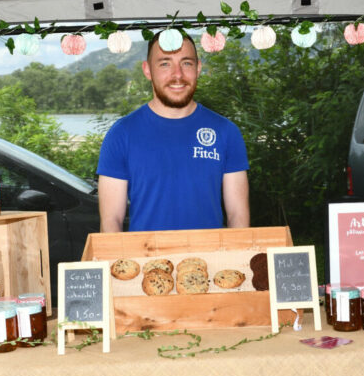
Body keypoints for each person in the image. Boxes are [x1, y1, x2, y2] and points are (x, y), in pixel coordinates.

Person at [97, 30, 250, 232]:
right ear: (147, 70)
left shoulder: (226, 132)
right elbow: (111, 222)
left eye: (186, 63)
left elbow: (238, 216)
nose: (177, 74)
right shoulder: (121, 134)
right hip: (144, 261)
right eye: (165, 64)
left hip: (211, 260)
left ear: (198, 68)